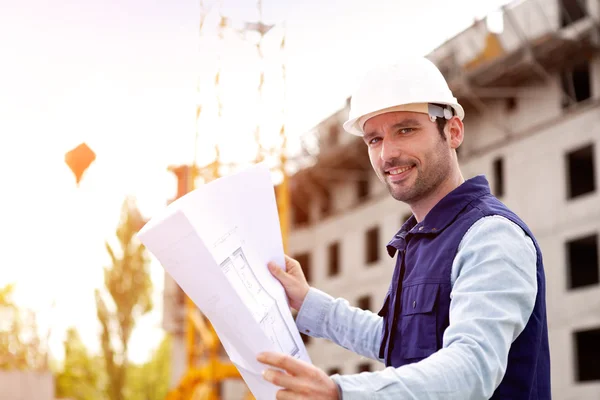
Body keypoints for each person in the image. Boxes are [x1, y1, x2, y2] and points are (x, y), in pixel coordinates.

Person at [256, 56, 551, 399]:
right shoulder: (423, 240)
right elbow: (397, 341)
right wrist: (307, 302)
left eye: (406, 130)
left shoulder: (491, 236)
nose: (387, 154)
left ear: (452, 130)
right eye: (374, 139)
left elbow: (472, 368)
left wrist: (342, 393)